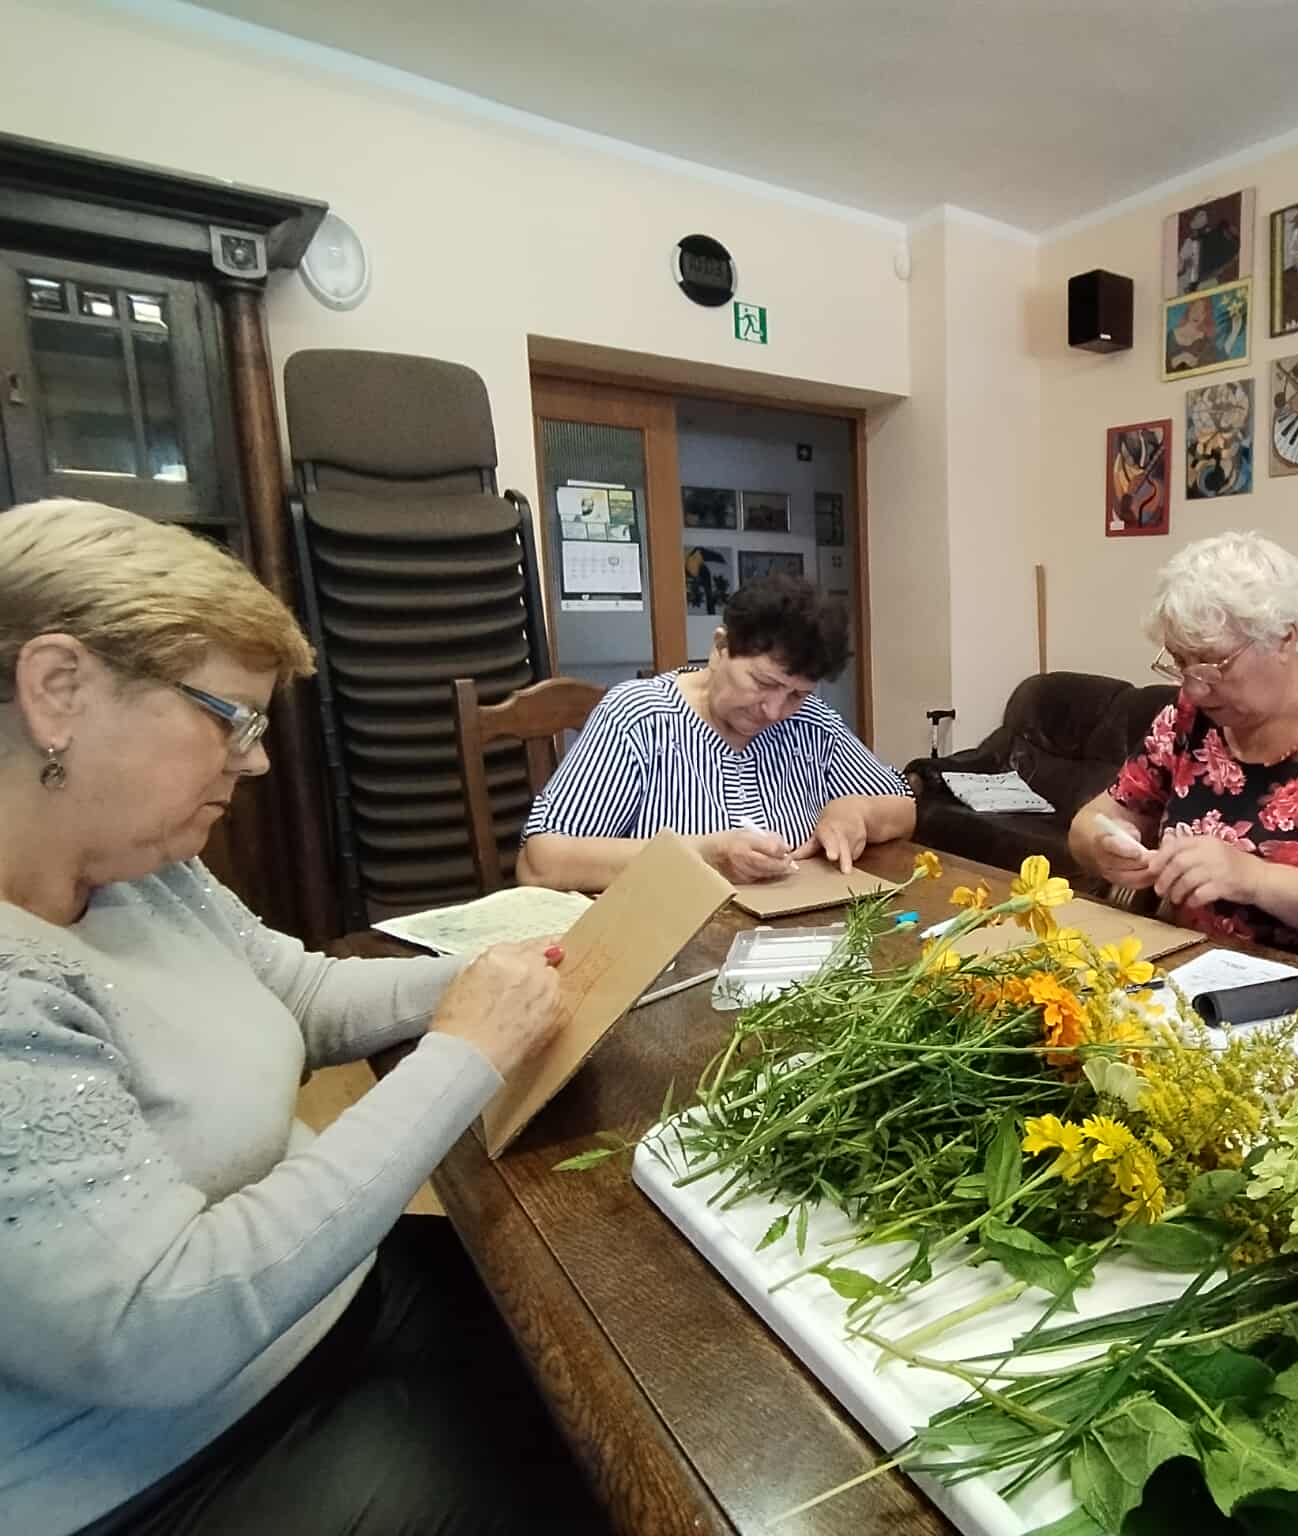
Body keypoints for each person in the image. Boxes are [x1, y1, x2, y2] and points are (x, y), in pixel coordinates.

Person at [0, 500, 604, 1535]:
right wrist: (464, 1052)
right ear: (59, 690)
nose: (256, 761)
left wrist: (492, 975)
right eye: (226, 717)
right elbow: (150, 1329)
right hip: (170, 1462)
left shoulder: (143, 870)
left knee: (590, 1333)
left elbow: (301, 994)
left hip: (324, 1305)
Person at [1070, 531, 1298, 969]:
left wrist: (1255, 879)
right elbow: (1089, 823)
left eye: (1214, 665)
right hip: (1191, 968)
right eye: (1180, 662)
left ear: (1285, 637)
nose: (1194, 687)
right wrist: (1105, 846)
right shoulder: (1190, 716)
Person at [517, 574, 913, 892]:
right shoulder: (640, 717)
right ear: (720, 647)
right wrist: (702, 855)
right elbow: (541, 862)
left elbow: (903, 806)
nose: (775, 711)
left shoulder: (811, 721)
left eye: (797, 694)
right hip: (674, 941)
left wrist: (855, 812)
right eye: (763, 683)